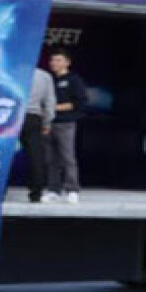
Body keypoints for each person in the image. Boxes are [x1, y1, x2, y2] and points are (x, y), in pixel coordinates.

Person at [42, 47, 88, 204]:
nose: (54, 63)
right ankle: (53, 190)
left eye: (58, 60)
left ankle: (72, 189)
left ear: (67, 62)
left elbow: (79, 103)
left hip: (65, 123)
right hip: (48, 123)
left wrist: (54, 107)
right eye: (52, 60)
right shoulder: (49, 80)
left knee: (67, 157)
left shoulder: (74, 80)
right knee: (50, 159)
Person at [21, 67, 56, 202]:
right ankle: (36, 192)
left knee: (4, 154)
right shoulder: (44, 75)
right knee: (35, 156)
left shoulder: (11, 71)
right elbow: (50, 101)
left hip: (9, 115)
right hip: (32, 117)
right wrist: (47, 122)